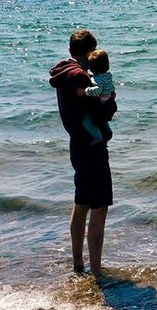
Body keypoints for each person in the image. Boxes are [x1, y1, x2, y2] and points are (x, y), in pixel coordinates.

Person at [49, 30, 117, 277]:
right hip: (92, 148)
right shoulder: (81, 76)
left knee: (81, 204)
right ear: (90, 52)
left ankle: (78, 264)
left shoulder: (63, 74)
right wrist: (111, 102)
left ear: (70, 51)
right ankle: (98, 272)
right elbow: (102, 113)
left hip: (77, 144)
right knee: (99, 208)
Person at [80, 49, 116, 146]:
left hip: (101, 105)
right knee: (102, 120)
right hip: (109, 102)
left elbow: (97, 90)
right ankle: (108, 132)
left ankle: (97, 137)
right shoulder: (108, 75)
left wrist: (84, 91)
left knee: (86, 122)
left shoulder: (97, 79)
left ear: (91, 67)